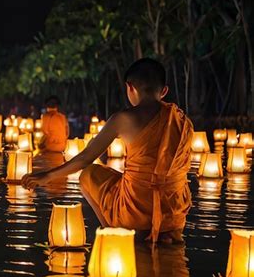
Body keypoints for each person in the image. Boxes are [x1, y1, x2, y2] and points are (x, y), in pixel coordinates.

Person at [22, 58, 194, 244]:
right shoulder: (182, 121)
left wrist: (47, 176)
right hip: (173, 216)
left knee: (88, 175)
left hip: (134, 215)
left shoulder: (124, 119)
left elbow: (86, 158)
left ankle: (116, 234)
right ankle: (164, 232)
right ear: (165, 91)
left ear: (130, 88)